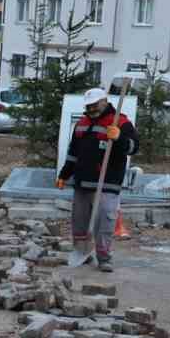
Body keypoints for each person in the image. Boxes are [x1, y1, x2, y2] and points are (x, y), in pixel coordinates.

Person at [57, 88, 138, 272]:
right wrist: (64, 175)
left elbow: (133, 147)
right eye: (88, 106)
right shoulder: (82, 124)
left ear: (104, 102)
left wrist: (119, 139)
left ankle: (104, 258)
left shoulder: (121, 122)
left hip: (107, 183)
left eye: (94, 105)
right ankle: (82, 252)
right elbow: (73, 154)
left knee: (105, 223)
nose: (91, 109)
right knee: (79, 222)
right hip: (83, 183)